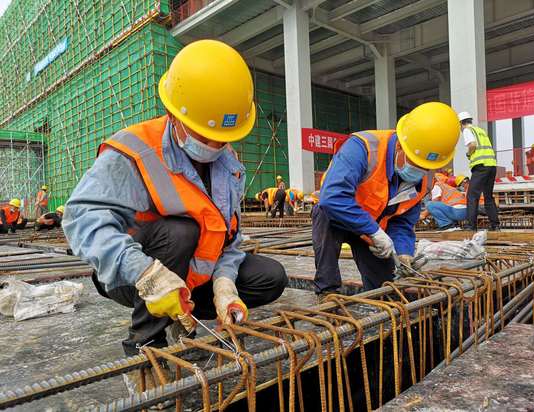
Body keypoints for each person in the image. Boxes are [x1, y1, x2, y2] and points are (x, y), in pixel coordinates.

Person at [63, 40, 287, 392]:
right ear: (176, 116)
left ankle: (181, 316)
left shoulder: (229, 167)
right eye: (205, 136)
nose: (214, 146)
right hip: (134, 277)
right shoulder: (136, 151)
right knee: (181, 230)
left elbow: (228, 240)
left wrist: (224, 287)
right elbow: (81, 218)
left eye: (222, 139)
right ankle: (145, 345)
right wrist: (146, 273)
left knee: (271, 276)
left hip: (190, 278)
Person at [313, 102, 460, 295]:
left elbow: (403, 221)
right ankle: (327, 290)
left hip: (371, 229)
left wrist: (404, 252)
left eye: (425, 167)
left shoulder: (424, 180)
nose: (420, 171)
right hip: (339, 216)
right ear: (399, 146)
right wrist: (373, 231)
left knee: (385, 288)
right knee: (324, 214)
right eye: (415, 163)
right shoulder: (362, 148)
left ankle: (380, 298)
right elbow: (332, 197)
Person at [458, 111, 500, 231]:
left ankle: (471, 226)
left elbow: (472, 145)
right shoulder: (480, 131)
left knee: (472, 196)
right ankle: (495, 225)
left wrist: (468, 153)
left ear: (461, 123)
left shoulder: (467, 130)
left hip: (480, 166)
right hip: (491, 165)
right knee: (488, 196)